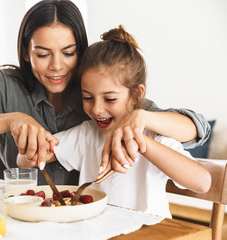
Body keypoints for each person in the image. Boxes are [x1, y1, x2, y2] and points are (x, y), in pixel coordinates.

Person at [0, 0, 210, 186]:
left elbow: (195, 129)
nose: (56, 66)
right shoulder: (6, 85)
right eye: (42, 54)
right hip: (17, 218)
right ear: (27, 53)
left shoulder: (95, 90)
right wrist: (12, 120)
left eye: (68, 52)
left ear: (82, 50)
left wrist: (141, 118)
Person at [17, 25, 211, 217]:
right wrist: (34, 143)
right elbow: (24, 160)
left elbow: (202, 183)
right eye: (87, 97)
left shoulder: (154, 137)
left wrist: (143, 144)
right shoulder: (86, 134)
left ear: (136, 95)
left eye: (109, 99)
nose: (96, 109)